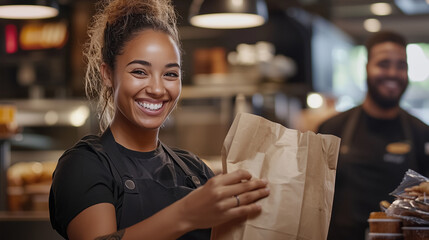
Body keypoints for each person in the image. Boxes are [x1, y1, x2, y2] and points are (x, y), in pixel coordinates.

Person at [48, 0, 270, 239]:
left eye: (170, 74)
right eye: (139, 72)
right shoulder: (85, 166)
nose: (157, 88)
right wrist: (186, 214)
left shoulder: (194, 170)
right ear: (108, 74)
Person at [317, 31, 429, 240]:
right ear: (366, 68)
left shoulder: (422, 133)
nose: (393, 73)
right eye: (384, 64)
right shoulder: (332, 128)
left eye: (401, 66)